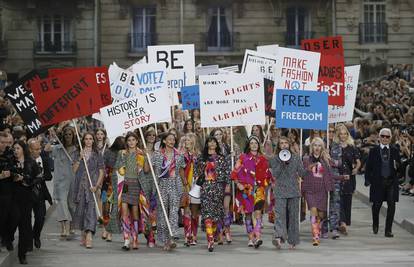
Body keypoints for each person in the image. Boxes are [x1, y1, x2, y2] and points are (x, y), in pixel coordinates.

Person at [302, 138, 348, 246]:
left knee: (321, 214)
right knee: (313, 210)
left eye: (319, 146)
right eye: (315, 145)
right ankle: (316, 236)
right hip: (310, 189)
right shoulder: (306, 159)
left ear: (322, 148)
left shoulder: (325, 161)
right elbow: (302, 173)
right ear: (311, 147)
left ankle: (318, 226)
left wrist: (342, 177)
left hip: (322, 190)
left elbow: (331, 175)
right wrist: (309, 168)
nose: (317, 148)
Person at [231, 135, 272, 248]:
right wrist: (238, 184)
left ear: (259, 145)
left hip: (259, 190)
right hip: (246, 190)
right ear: (248, 145)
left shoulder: (263, 159)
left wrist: (266, 184)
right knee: (248, 214)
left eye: (256, 143)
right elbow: (234, 173)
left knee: (258, 212)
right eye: (252, 143)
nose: (254, 145)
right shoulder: (242, 158)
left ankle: (258, 237)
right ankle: (250, 237)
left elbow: (267, 175)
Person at [269, 136, 306, 249]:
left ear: (289, 145)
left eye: (286, 143)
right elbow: (274, 174)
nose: (284, 145)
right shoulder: (275, 159)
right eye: (281, 143)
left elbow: (302, 174)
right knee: (280, 216)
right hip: (280, 191)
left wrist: (305, 166)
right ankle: (279, 238)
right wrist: (282, 163)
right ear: (279, 146)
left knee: (293, 217)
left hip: (294, 191)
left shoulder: (295, 158)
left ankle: (293, 240)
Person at [152, 132, 186, 251]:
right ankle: (165, 240)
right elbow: (151, 170)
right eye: (169, 139)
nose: (172, 141)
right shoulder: (157, 155)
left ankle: (172, 238)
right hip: (161, 185)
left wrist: (185, 187)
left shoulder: (179, 155)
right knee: (162, 214)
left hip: (175, 185)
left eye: (173, 139)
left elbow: (181, 171)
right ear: (164, 141)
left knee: (173, 212)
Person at [71, 132, 105, 249]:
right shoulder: (77, 153)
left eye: (91, 139)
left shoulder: (97, 154)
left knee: (91, 209)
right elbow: (74, 170)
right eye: (86, 139)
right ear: (83, 140)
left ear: (93, 140)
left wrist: (97, 185)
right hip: (80, 186)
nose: (89, 141)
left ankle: (90, 234)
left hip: (92, 186)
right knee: (81, 210)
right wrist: (80, 158)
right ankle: (84, 233)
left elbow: (101, 171)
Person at [365, 128, 401, 237]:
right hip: (378, 181)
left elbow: (399, 166)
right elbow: (368, 167)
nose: (385, 138)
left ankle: (388, 230)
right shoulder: (374, 150)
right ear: (379, 137)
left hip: (391, 181)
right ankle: (375, 223)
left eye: (387, 136)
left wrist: (397, 167)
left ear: (390, 138)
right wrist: (368, 180)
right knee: (376, 205)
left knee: (391, 205)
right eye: (383, 136)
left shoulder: (395, 150)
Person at [116, 132, 149, 250]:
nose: (131, 142)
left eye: (133, 140)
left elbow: (146, 170)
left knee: (135, 213)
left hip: (136, 185)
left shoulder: (141, 153)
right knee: (124, 211)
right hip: (125, 185)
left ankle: (135, 238)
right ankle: (126, 239)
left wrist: (146, 157)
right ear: (126, 142)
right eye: (129, 140)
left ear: (137, 141)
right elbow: (117, 168)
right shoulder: (122, 153)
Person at [196, 136, 230, 252]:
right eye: (209, 141)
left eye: (213, 142)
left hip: (218, 188)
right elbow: (196, 172)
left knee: (216, 215)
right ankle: (210, 239)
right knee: (207, 214)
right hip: (205, 188)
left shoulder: (221, 158)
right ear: (206, 144)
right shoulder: (201, 158)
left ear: (216, 144)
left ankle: (214, 234)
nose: (211, 143)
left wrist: (227, 186)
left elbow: (226, 173)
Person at [11, 141, 40, 264]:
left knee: (25, 226)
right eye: (14, 149)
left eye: (18, 148)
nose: (15, 151)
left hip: (26, 198)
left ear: (23, 149)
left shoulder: (30, 162)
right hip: (12, 198)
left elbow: (39, 176)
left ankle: (22, 254)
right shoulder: (10, 162)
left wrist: (27, 180)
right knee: (12, 222)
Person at [331, 124, 361, 236]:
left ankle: (344, 222)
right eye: (341, 134)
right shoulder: (334, 146)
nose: (343, 136)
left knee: (347, 200)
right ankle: (341, 223)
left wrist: (357, 168)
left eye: (345, 134)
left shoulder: (352, 146)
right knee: (339, 200)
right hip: (337, 176)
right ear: (338, 135)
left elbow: (358, 160)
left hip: (349, 177)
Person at [51, 126, 78, 238]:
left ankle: (71, 225)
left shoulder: (77, 149)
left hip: (72, 180)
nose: (68, 136)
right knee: (62, 202)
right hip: (60, 181)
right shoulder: (57, 148)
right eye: (66, 134)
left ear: (73, 136)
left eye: (70, 134)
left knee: (71, 204)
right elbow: (47, 148)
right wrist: (53, 135)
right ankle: (64, 227)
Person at [28, 138, 53, 249]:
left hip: (40, 193)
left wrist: (41, 176)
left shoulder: (44, 159)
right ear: (30, 150)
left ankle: (36, 235)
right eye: (36, 149)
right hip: (27, 193)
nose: (39, 151)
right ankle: (27, 240)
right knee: (25, 219)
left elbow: (49, 176)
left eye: (40, 148)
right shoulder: (25, 160)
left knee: (40, 217)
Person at [210, 128, 232, 243]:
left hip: (225, 181)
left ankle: (227, 230)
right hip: (213, 183)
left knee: (226, 207)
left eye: (220, 134)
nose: (218, 136)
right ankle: (218, 232)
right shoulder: (210, 150)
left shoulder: (228, 147)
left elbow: (229, 168)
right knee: (217, 208)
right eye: (216, 134)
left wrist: (228, 182)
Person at [102, 136, 125, 242]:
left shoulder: (126, 153)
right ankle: (105, 227)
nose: (122, 142)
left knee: (115, 208)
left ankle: (109, 231)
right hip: (107, 181)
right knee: (105, 205)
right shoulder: (107, 152)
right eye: (121, 140)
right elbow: (102, 166)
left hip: (121, 181)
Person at [182, 133, 200, 246]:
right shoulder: (182, 155)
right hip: (185, 185)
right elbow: (180, 169)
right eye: (185, 140)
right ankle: (187, 235)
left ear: (193, 141)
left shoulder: (198, 156)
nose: (186, 142)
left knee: (194, 212)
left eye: (188, 140)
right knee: (186, 210)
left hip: (196, 185)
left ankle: (194, 235)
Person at [0, 132, 14, 252]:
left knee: (8, 217)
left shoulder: (11, 155)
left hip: (9, 191)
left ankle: (7, 239)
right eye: (2, 142)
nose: (4, 145)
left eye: (7, 142)